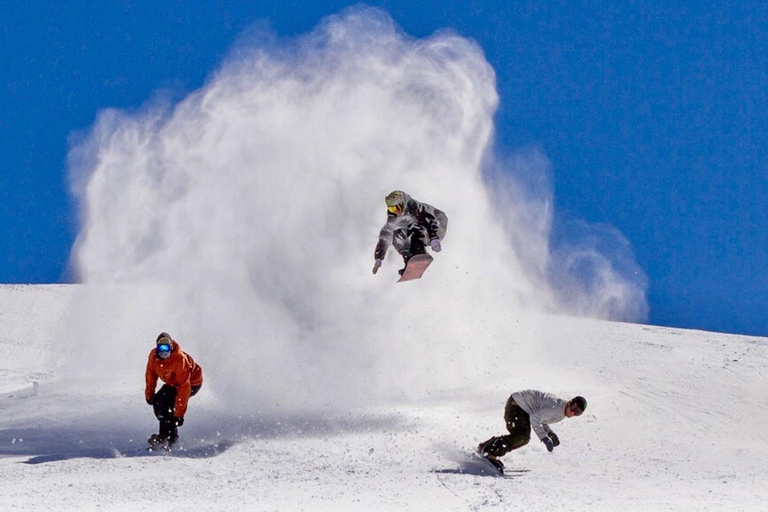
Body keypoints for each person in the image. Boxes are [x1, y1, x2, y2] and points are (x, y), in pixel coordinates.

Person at [477, 390, 587, 473]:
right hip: (517, 405)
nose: (573, 412)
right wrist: (544, 437)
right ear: (570, 402)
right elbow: (535, 418)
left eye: (577, 412)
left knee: (519, 435)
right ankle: (491, 452)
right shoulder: (557, 407)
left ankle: (486, 447)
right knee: (523, 437)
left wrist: (550, 433)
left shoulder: (561, 411)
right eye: (573, 408)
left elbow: (542, 419)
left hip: (517, 405)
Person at [145, 332, 203, 448]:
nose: (164, 351)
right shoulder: (154, 357)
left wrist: (179, 414)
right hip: (173, 384)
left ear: (171, 347)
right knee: (158, 401)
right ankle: (165, 435)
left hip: (191, 383)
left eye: (166, 347)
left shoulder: (179, 359)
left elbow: (184, 386)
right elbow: (150, 375)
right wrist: (149, 394)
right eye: (161, 348)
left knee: (167, 403)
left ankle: (169, 437)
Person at [372, 190, 448, 276]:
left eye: (397, 208)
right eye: (392, 209)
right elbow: (386, 233)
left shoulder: (414, 206)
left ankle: (420, 254)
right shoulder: (393, 215)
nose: (396, 211)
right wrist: (379, 257)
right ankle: (409, 260)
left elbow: (428, 220)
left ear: (403, 203)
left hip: (438, 224)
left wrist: (434, 238)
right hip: (425, 232)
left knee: (414, 229)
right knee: (397, 233)